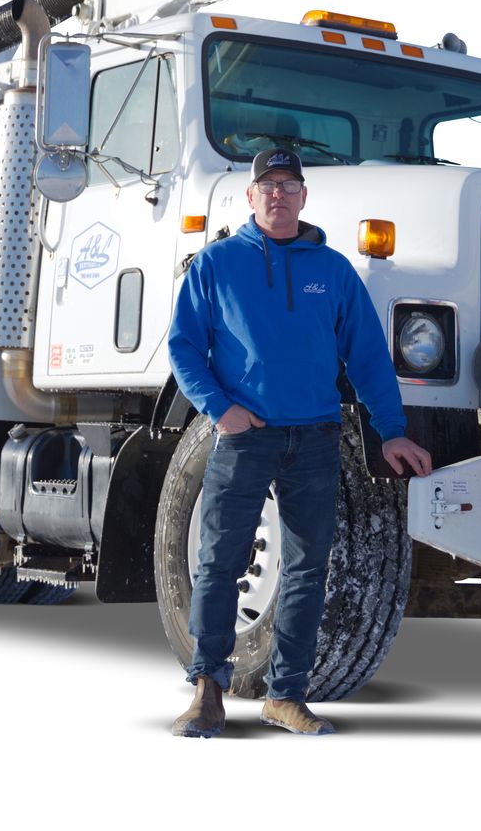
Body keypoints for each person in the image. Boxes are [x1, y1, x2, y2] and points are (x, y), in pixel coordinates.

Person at [164, 148, 433, 738]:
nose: (279, 194)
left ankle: (286, 695)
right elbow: (183, 347)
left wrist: (391, 432)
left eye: (289, 185)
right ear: (250, 197)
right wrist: (220, 408)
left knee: (309, 567)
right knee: (220, 562)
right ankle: (207, 689)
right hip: (246, 438)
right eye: (268, 185)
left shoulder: (333, 271)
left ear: (304, 196)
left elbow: (367, 358)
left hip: (315, 439)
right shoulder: (215, 266)